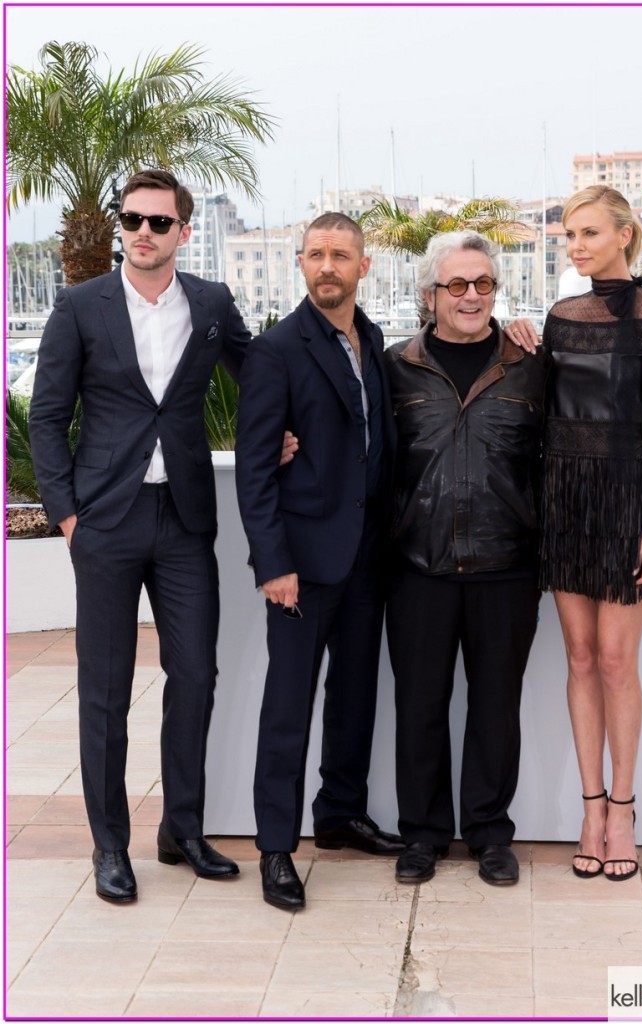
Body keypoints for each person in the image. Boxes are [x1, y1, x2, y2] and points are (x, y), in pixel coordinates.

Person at [28, 169, 274, 903]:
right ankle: (110, 846)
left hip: (185, 519)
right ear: (120, 227)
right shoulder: (80, 306)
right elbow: (47, 416)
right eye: (132, 219)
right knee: (104, 692)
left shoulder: (210, 303)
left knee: (195, 675)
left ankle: (183, 830)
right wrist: (68, 515)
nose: (142, 231)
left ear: (183, 231)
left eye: (158, 223)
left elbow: (259, 374)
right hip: (105, 519)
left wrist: (286, 430)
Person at [506, 185, 642, 881]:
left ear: (624, 234)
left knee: (617, 665)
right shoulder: (561, 315)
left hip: (628, 507)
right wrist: (519, 339)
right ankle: (589, 810)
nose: (576, 245)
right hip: (564, 503)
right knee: (580, 660)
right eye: (567, 235)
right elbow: (539, 405)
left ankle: (623, 808)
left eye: (587, 233)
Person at [234, 212, 404, 912]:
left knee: (355, 694)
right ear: (299, 265)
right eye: (314, 255)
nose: (326, 266)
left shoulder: (372, 339)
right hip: (301, 563)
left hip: (368, 555)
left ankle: (339, 813)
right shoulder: (277, 350)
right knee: (287, 707)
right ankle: (276, 846)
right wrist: (272, 563)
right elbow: (253, 470)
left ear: (364, 267)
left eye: (340, 255)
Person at [385, 231, 550, 887]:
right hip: (414, 566)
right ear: (430, 295)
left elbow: (559, 456)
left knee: (494, 708)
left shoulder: (531, 363)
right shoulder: (394, 364)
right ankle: (421, 835)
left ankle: (488, 833)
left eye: (482, 283)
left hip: (505, 564)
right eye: (457, 285)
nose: (471, 296)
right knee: (418, 708)